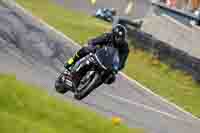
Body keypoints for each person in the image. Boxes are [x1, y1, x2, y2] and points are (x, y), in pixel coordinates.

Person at [64, 24, 129, 84]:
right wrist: (92, 45)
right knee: (85, 49)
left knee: (111, 78)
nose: (120, 40)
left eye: (121, 38)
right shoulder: (107, 36)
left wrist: (116, 69)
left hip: (108, 63)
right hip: (97, 53)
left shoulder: (125, 48)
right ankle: (72, 61)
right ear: (114, 35)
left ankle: (94, 85)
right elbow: (94, 41)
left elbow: (122, 61)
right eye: (118, 37)